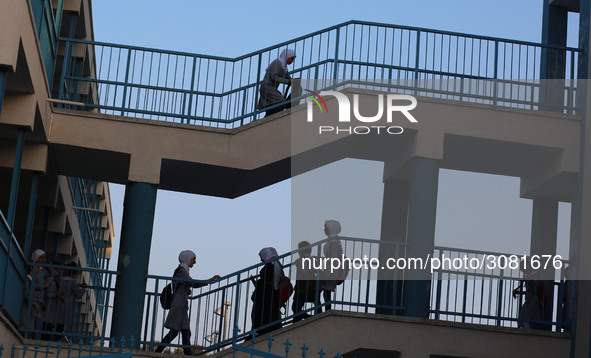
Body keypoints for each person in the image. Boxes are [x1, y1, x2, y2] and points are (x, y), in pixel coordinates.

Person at [156, 250, 220, 355]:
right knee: (178, 332)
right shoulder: (181, 270)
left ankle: (185, 354)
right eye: (193, 259)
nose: (195, 262)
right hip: (179, 305)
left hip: (181, 304)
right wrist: (210, 280)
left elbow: (186, 283)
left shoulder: (183, 270)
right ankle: (161, 352)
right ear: (187, 258)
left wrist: (186, 290)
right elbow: (192, 282)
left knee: (183, 332)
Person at [250, 247, 284, 336]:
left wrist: (255, 282)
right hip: (271, 294)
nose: (261, 260)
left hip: (266, 296)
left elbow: (265, 281)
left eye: (262, 257)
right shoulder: (277, 265)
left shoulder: (269, 266)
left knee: (260, 316)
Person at [257, 49, 297, 118]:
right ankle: (269, 120)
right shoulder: (277, 63)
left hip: (271, 88)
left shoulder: (283, 65)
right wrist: (288, 81)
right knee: (280, 102)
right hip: (268, 87)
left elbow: (287, 77)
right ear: (287, 57)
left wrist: (293, 80)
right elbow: (274, 76)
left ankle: (266, 121)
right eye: (292, 58)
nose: (292, 61)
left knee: (272, 106)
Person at [319, 220, 348, 311]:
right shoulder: (333, 241)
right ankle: (323, 310)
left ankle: (325, 311)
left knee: (325, 292)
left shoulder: (334, 242)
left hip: (331, 270)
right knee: (324, 292)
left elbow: (333, 259)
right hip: (330, 269)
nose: (324, 230)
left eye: (326, 228)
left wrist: (328, 274)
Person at [20, 249, 47, 339]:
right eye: (41, 258)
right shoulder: (34, 271)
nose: (43, 260)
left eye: (44, 258)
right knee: (31, 323)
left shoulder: (41, 271)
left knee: (36, 324)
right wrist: (43, 286)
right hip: (33, 299)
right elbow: (32, 285)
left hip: (37, 301)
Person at [57, 262, 87, 341]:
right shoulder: (72, 282)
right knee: (61, 323)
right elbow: (78, 295)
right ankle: (57, 338)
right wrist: (83, 288)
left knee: (54, 320)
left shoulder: (58, 279)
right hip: (66, 303)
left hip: (56, 301)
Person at [291, 241, 319, 322]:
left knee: (296, 307)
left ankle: (305, 317)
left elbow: (304, 272)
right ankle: (316, 317)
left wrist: (298, 265)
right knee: (317, 304)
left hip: (302, 286)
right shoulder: (313, 259)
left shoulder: (301, 260)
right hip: (312, 286)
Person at [513, 261, 540, 329]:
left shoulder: (534, 274)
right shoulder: (529, 275)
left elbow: (535, 290)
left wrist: (530, 280)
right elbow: (529, 291)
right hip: (529, 299)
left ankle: (528, 335)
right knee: (521, 320)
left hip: (532, 300)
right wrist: (519, 292)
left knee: (525, 320)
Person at [42, 263, 62, 341]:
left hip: (51, 309)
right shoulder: (50, 280)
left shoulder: (55, 281)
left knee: (49, 327)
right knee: (46, 327)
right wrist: (58, 294)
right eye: (59, 270)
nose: (60, 272)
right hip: (48, 308)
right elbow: (49, 294)